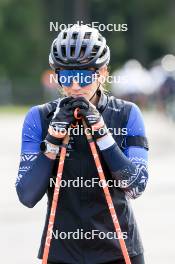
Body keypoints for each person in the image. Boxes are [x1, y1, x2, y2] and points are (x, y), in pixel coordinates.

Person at [16, 24, 149, 264]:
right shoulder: (39, 118)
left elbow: (136, 187)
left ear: (103, 73)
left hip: (119, 251)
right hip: (61, 252)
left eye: (85, 76)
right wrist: (53, 139)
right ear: (56, 76)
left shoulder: (127, 114)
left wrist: (102, 132)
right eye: (67, 76)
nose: (75, 86)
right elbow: (27, 195)